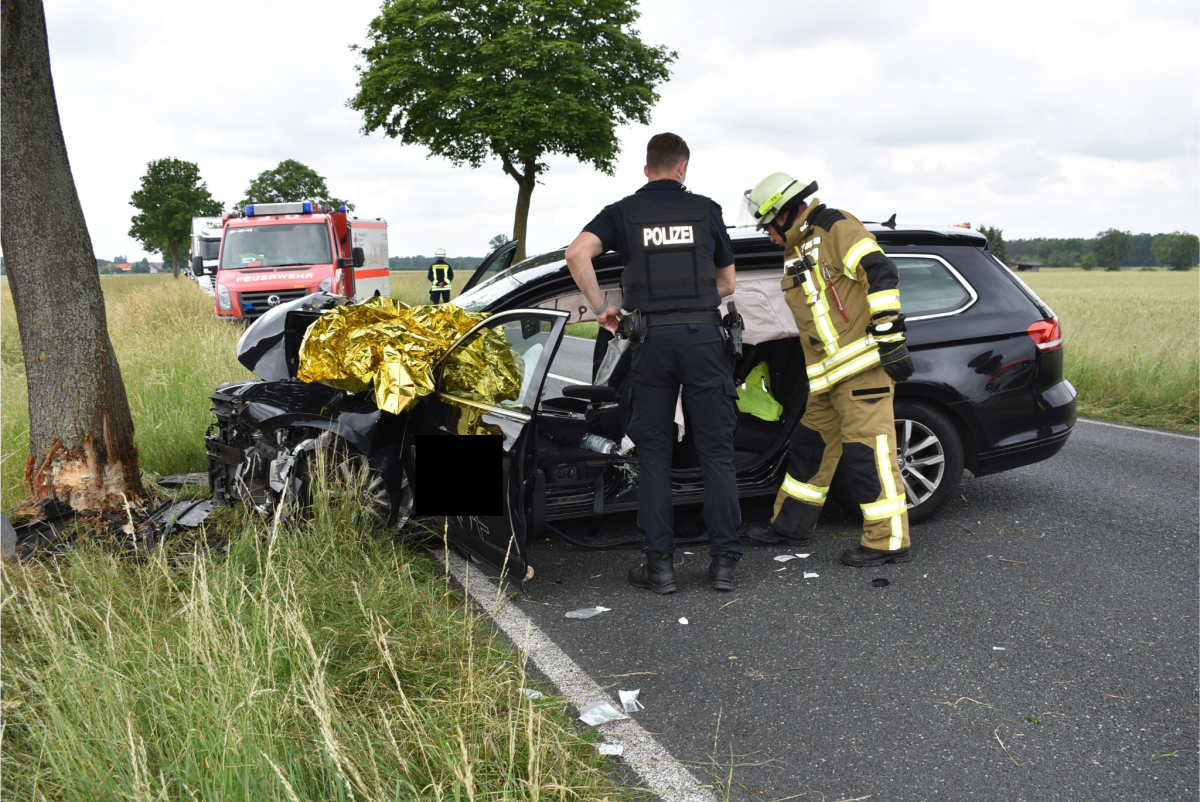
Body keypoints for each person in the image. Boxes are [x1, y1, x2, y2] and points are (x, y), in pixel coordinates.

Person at [564, 133, 742, 593]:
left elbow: (575, 253)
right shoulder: (706, 210)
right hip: (703, 340)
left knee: (655, 456)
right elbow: (728, 283)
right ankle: (723, 565)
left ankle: (660, 569)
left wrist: (602, 306)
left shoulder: (622, 212)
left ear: (647, 169)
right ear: (683, 167)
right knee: (717, 455)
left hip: (651, 342)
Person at [739, 173, 916, 566]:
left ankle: (888, 541)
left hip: (861, 371)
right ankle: (790, 525)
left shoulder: (835, 226)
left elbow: (880, 271)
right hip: (827, 378)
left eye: (768, 226)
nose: (767, 235)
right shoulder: (795, 249)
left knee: (868, 456)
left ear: (784, 214)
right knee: (809, 449)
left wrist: (889, 337)